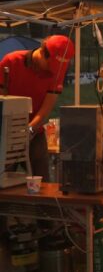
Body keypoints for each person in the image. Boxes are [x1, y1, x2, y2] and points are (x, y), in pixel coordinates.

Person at [0, 35, 75, 180]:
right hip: (6, 130)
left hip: (34, 131)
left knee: (42, 181)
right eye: (50, 65)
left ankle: (44, 203)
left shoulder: (56, 72)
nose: (52, 71)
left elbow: (46, 108)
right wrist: (13, 132)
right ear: (42, 51)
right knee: (3, 179)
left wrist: (29, 130)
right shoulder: (11, 61)